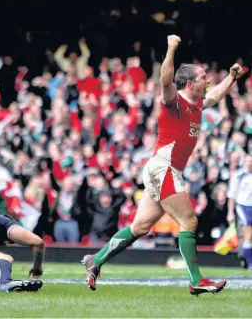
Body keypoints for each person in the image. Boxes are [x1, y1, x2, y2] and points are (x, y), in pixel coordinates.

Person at [82, 35, 245, 295]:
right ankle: (196, 280)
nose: (208, 80)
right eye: (204, 77)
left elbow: (214, 95)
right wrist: (171, 48)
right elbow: (165, 80)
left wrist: (231, 78)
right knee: (188, 220)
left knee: (140, 227)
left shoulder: (196, 104)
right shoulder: (174, 101)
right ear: (190, 83)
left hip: (165, 169)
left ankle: (95, 261)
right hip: (163, 168)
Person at [227, 154, 252, 270]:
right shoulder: (238, 175)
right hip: (244, 207)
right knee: (248, 235)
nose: (249, 163)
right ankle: (248, 262)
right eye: (247, 161)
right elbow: (232, 195)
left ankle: (245, 257)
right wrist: (230, 212)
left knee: (249, 237)